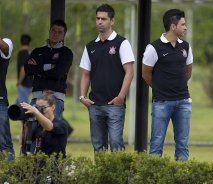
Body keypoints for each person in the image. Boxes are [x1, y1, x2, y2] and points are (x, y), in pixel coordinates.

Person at [79, 4, 135, 152]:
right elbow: (85, 74)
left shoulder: (122, 43)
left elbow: (130, 72)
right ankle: (101, 176)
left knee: (116, 144)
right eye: (97, 18)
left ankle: (119, 176)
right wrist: (82, 96)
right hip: (94, 104)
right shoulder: (90, 46)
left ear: (112, 21)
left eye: (104, 19)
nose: (100, 21)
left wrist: (121, 97)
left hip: (114, 104)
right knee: (98, 146)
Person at [142, 9, 193, 160]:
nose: (185, 27)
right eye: (183, 24)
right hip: (161, 103)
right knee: (156, 145)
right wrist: (160, 88)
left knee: (182, 145)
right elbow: (146, 74)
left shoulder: (186, 47)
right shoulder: (153, 48)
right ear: (173, 26)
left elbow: (188, 71)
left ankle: (181, 180)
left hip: (184, 102)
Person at [24, 19, 73, 120]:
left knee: (50, 131)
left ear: (63, 35)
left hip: (56, 98)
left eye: (60, 32)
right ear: (49, 31)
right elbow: (28, 69)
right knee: (32, 130)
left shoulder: (66, 53)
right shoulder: (37, 51)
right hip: (36, 98)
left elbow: (58, 73)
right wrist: (49, 67)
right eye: (53, 31)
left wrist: (38, 70)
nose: (56, 34)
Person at [20, 91, 68, 158]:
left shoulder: (61, 123)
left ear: (53, 107)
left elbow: (49, 127)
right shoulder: (38, 126)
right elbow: (22, 141)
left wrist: (36, 112)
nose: (40, 110)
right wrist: (25, 121)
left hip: (55, 165)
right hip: (39, 164)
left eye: (43, 107)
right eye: (37, 108)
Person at [0, 37, 15, 160]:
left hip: (0, 102)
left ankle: (9, 177)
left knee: (4, 143)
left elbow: (5, 49)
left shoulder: (6, 42)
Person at [15, 34, 33, 105]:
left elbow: (23, 68)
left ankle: (30, 116)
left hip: (24, 83)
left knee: (23, 107)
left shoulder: (22, 53)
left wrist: (19, 81)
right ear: (29, 43)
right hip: (30, 82)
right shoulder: (31, 53)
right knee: (17, 104)